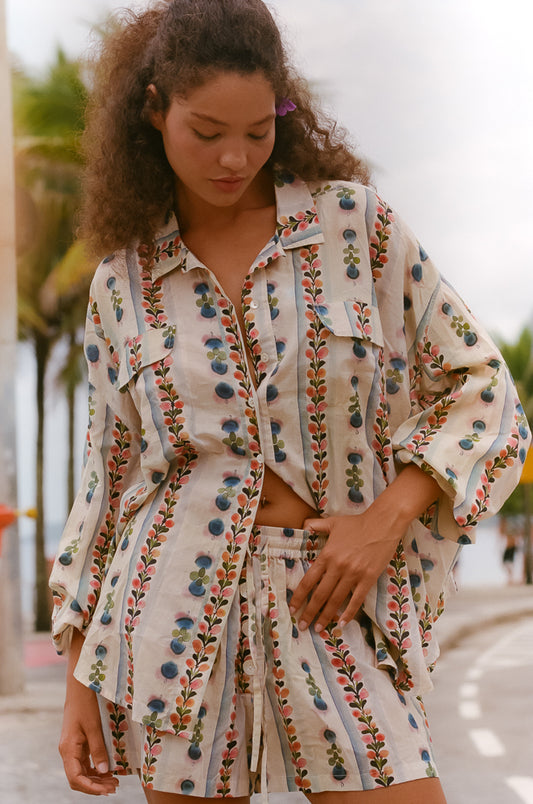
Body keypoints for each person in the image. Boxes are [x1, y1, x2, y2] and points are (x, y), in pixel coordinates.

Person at [49, 1, 531, 802]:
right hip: (173, 620)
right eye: (206, 132)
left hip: (332, 600)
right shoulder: (120, 286)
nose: (234, 157)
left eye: (258, 129)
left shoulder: (357, 231)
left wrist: (383, 522)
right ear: (154, 109)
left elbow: (484, 390)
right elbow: (108, 487)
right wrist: (78, 684)